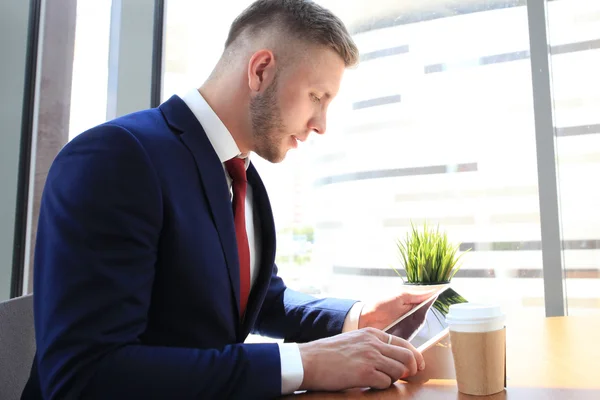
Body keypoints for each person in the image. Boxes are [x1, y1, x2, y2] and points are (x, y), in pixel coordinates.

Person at [22, 1, 435, 399]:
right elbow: (86, 376)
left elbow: (260, 299)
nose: (321, 124)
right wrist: (303, 363)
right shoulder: (116, 157)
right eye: (316, 97)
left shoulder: (242, 177)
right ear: (260, 70)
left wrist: (357, 317)